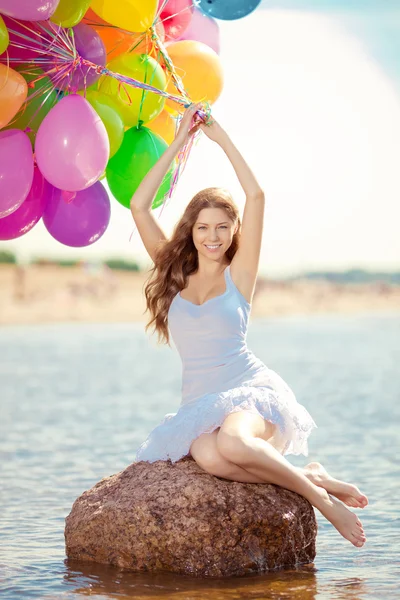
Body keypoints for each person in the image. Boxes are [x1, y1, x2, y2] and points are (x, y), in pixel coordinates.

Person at [130, 104, 368, 548]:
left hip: (248, 390)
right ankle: (312, 475)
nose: (213, 236)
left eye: (223, 226)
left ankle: (321, 499)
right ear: (191, 230)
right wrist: (181, 139)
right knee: (212, 460)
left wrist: (220, 138)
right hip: (200, 402)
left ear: (234, 229)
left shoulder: (239, 275)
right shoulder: (175, 273)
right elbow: (139, 205)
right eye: (203, 227)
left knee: (235, 445)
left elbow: (256, 196)